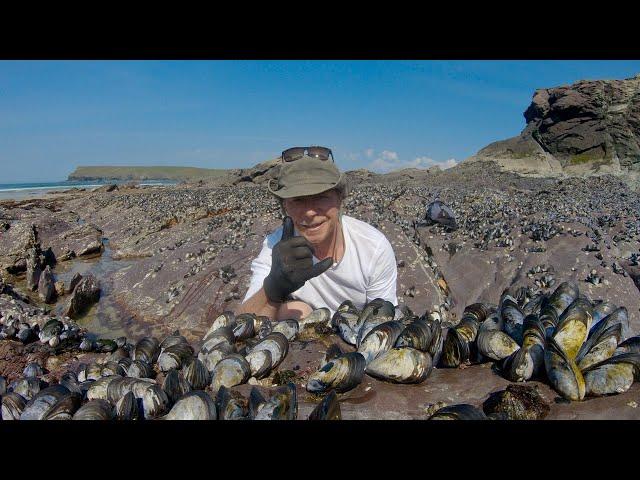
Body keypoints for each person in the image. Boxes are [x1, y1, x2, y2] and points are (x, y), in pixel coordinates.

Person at [236, 146, 398, 321]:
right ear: (285, 207)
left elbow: (383, 320)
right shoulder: (276, 246)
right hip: (301, 336)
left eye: (321, 196)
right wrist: (273, 289)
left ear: (340, 199)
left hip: (357, 336)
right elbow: (241, 323)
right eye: (298, 200)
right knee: (298, 310)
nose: (310, 212)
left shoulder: (373, 247)